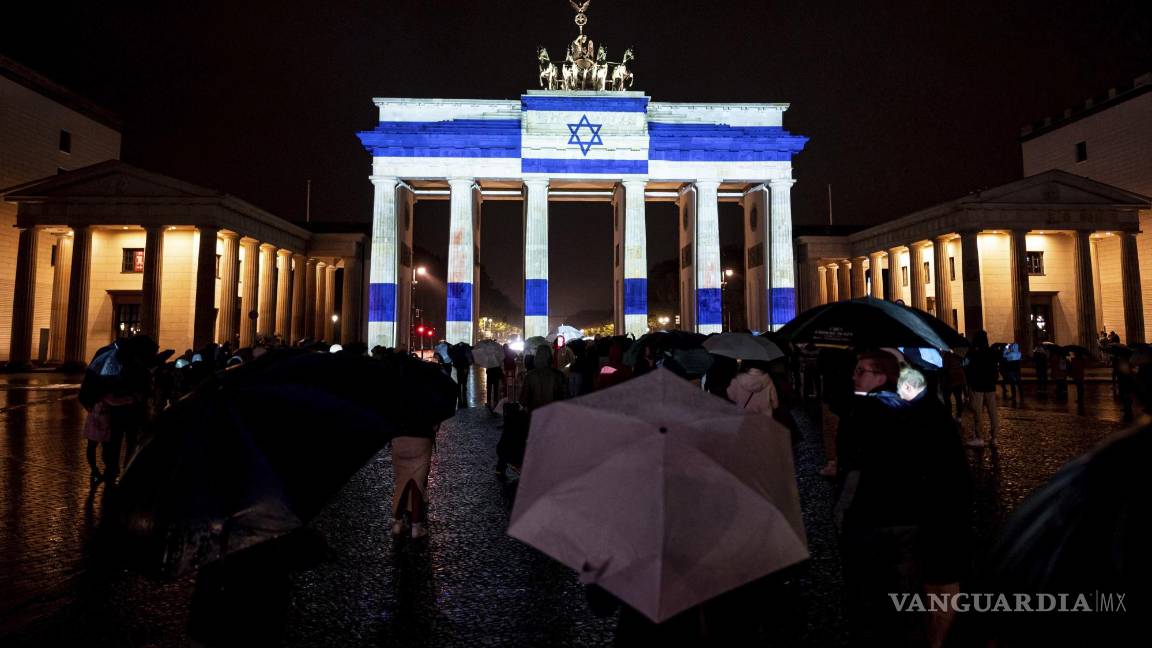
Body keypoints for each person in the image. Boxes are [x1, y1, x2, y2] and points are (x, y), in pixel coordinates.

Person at [964, 331, 1000, 447]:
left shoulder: (973, 352)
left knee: (978, 412)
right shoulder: (991, 352)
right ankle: (994, 438)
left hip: (977, 385)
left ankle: (979, 437)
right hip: (990, 386)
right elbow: (996, 368)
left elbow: (967, 368)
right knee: (992, 411)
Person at [941, 351, 967, 420]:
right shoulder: (958, 357)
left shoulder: (946, 357)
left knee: (947, 399)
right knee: (958, 399)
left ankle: (949, 414)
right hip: (958, 380)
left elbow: (944, 369)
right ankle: (959, 416)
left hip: (949, 381)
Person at [448, 342, 472, 409]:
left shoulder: (456, 348)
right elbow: (469, 357)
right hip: (464, 366)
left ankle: (460, 388)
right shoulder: (466, 348)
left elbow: (453, 357)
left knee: (460, 378)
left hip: (459, 366)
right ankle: (463, 388)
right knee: (464, 379)